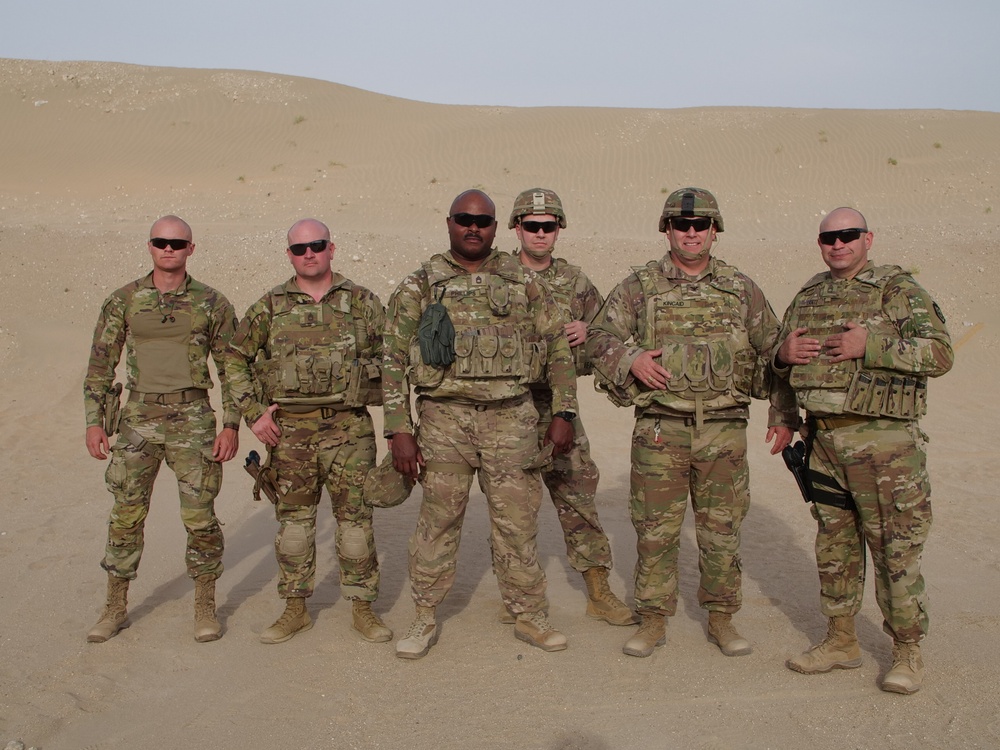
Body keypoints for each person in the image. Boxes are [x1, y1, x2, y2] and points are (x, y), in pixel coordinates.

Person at [587, 187, 797, 658]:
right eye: (681, 225)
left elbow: (776, 351)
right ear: (667, 230)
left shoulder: (740, 289)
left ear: (714, 231)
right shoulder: (640, 288)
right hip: (660, 428)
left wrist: (784, 416)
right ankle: (653, 618)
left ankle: (721, 619)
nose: (691, 233)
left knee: (721, 530)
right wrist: (631, 358)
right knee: (655, 529)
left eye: (700, 225)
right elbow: (597, 337)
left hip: (723, 429)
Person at [383, 189, 579, 658]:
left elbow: (556, 346)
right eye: (464, 219)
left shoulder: (522, 281)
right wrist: (399, 428)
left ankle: (529, 616)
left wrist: (563, 412)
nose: (474, 227)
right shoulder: (421, 283)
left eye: (483, 221)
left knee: (517, 523)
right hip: (444, 420)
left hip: (511, 418)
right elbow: (390, 355)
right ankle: (424, 617)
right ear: (449, 222)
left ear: (496, 227)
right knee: (438, 522)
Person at [775, 207, 953, 694]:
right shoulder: (809, 295)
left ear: (867, 238)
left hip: (885, 446)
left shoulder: (897, 290)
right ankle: (841, 640)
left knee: (894, 548)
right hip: (824, 442)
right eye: (829, 237)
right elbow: (785, 360)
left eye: (848, 235)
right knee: (834, 546)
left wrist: (869, 344)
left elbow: (939, 352)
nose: (838, 244)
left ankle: (907, 652)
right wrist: (783, 415)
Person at [226, 219, 391, 645]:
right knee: (295, 528)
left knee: (355, 526)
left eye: (317, 245)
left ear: (332, 248)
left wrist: (398, 429)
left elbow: (394, 363)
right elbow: (233, 360)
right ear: (290, 255)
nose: (309, 254)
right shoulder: (270, 306)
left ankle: (362, 608)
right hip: (291, 434)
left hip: (350, 430)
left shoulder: (363, 303)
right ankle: (295, 608)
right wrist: (255, 413)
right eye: (300, 249)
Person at [83, 215, 239, 644]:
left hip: (193, 419)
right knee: (125, 516)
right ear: (150, 246)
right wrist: (94, 422)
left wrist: (230, 424)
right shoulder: (124, 301)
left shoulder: (212, 303)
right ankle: (115, 606)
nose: (168, 248)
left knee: (200, 517)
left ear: (191, 248)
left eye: (177, 242)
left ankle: (205, 605)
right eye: (160, 241)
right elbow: (100, 363)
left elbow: (233, 368)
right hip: (138, 421)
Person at [506, 187, 634, 627]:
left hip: (562, 408)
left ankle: (598, 591)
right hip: (509, 409)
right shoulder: (498, 277)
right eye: (532, 226)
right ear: (517, 228)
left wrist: (587, 330)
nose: (541, 234)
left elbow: (605, 339)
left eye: (549, 226)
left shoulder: (576, 283)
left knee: (579, 495)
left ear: (559, 229)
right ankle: (518, 595)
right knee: (513, 508)